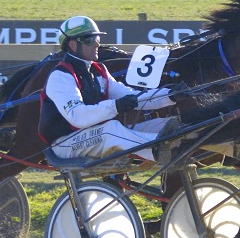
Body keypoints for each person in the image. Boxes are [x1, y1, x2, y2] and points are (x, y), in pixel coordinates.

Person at [39, 16, 185, 165]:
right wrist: (116, 106)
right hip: (64, 144)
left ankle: (175, 141)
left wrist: (169, 95)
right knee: (111, 129)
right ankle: (159, 146)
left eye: (97, 38)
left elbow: (133, 97)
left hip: (93, 136)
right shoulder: (61, 76)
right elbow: (78, 116)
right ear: (73, 45)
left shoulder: (99, 71)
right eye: (89, 40)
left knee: (160, 125)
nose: (97, 44)